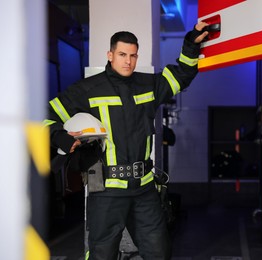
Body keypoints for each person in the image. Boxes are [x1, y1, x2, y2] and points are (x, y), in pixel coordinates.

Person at [45, 22, 209, 260]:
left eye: (133, 55)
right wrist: (58, 135)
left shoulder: (149, 84)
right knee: (102, 254)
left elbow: (183, 74)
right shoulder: (87, 89)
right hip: (107, 192)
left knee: (159, 252)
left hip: (144, 190)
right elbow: (47, 116)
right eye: (122, 54)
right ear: (110, 55)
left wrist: (191, 43)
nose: (128, 61)